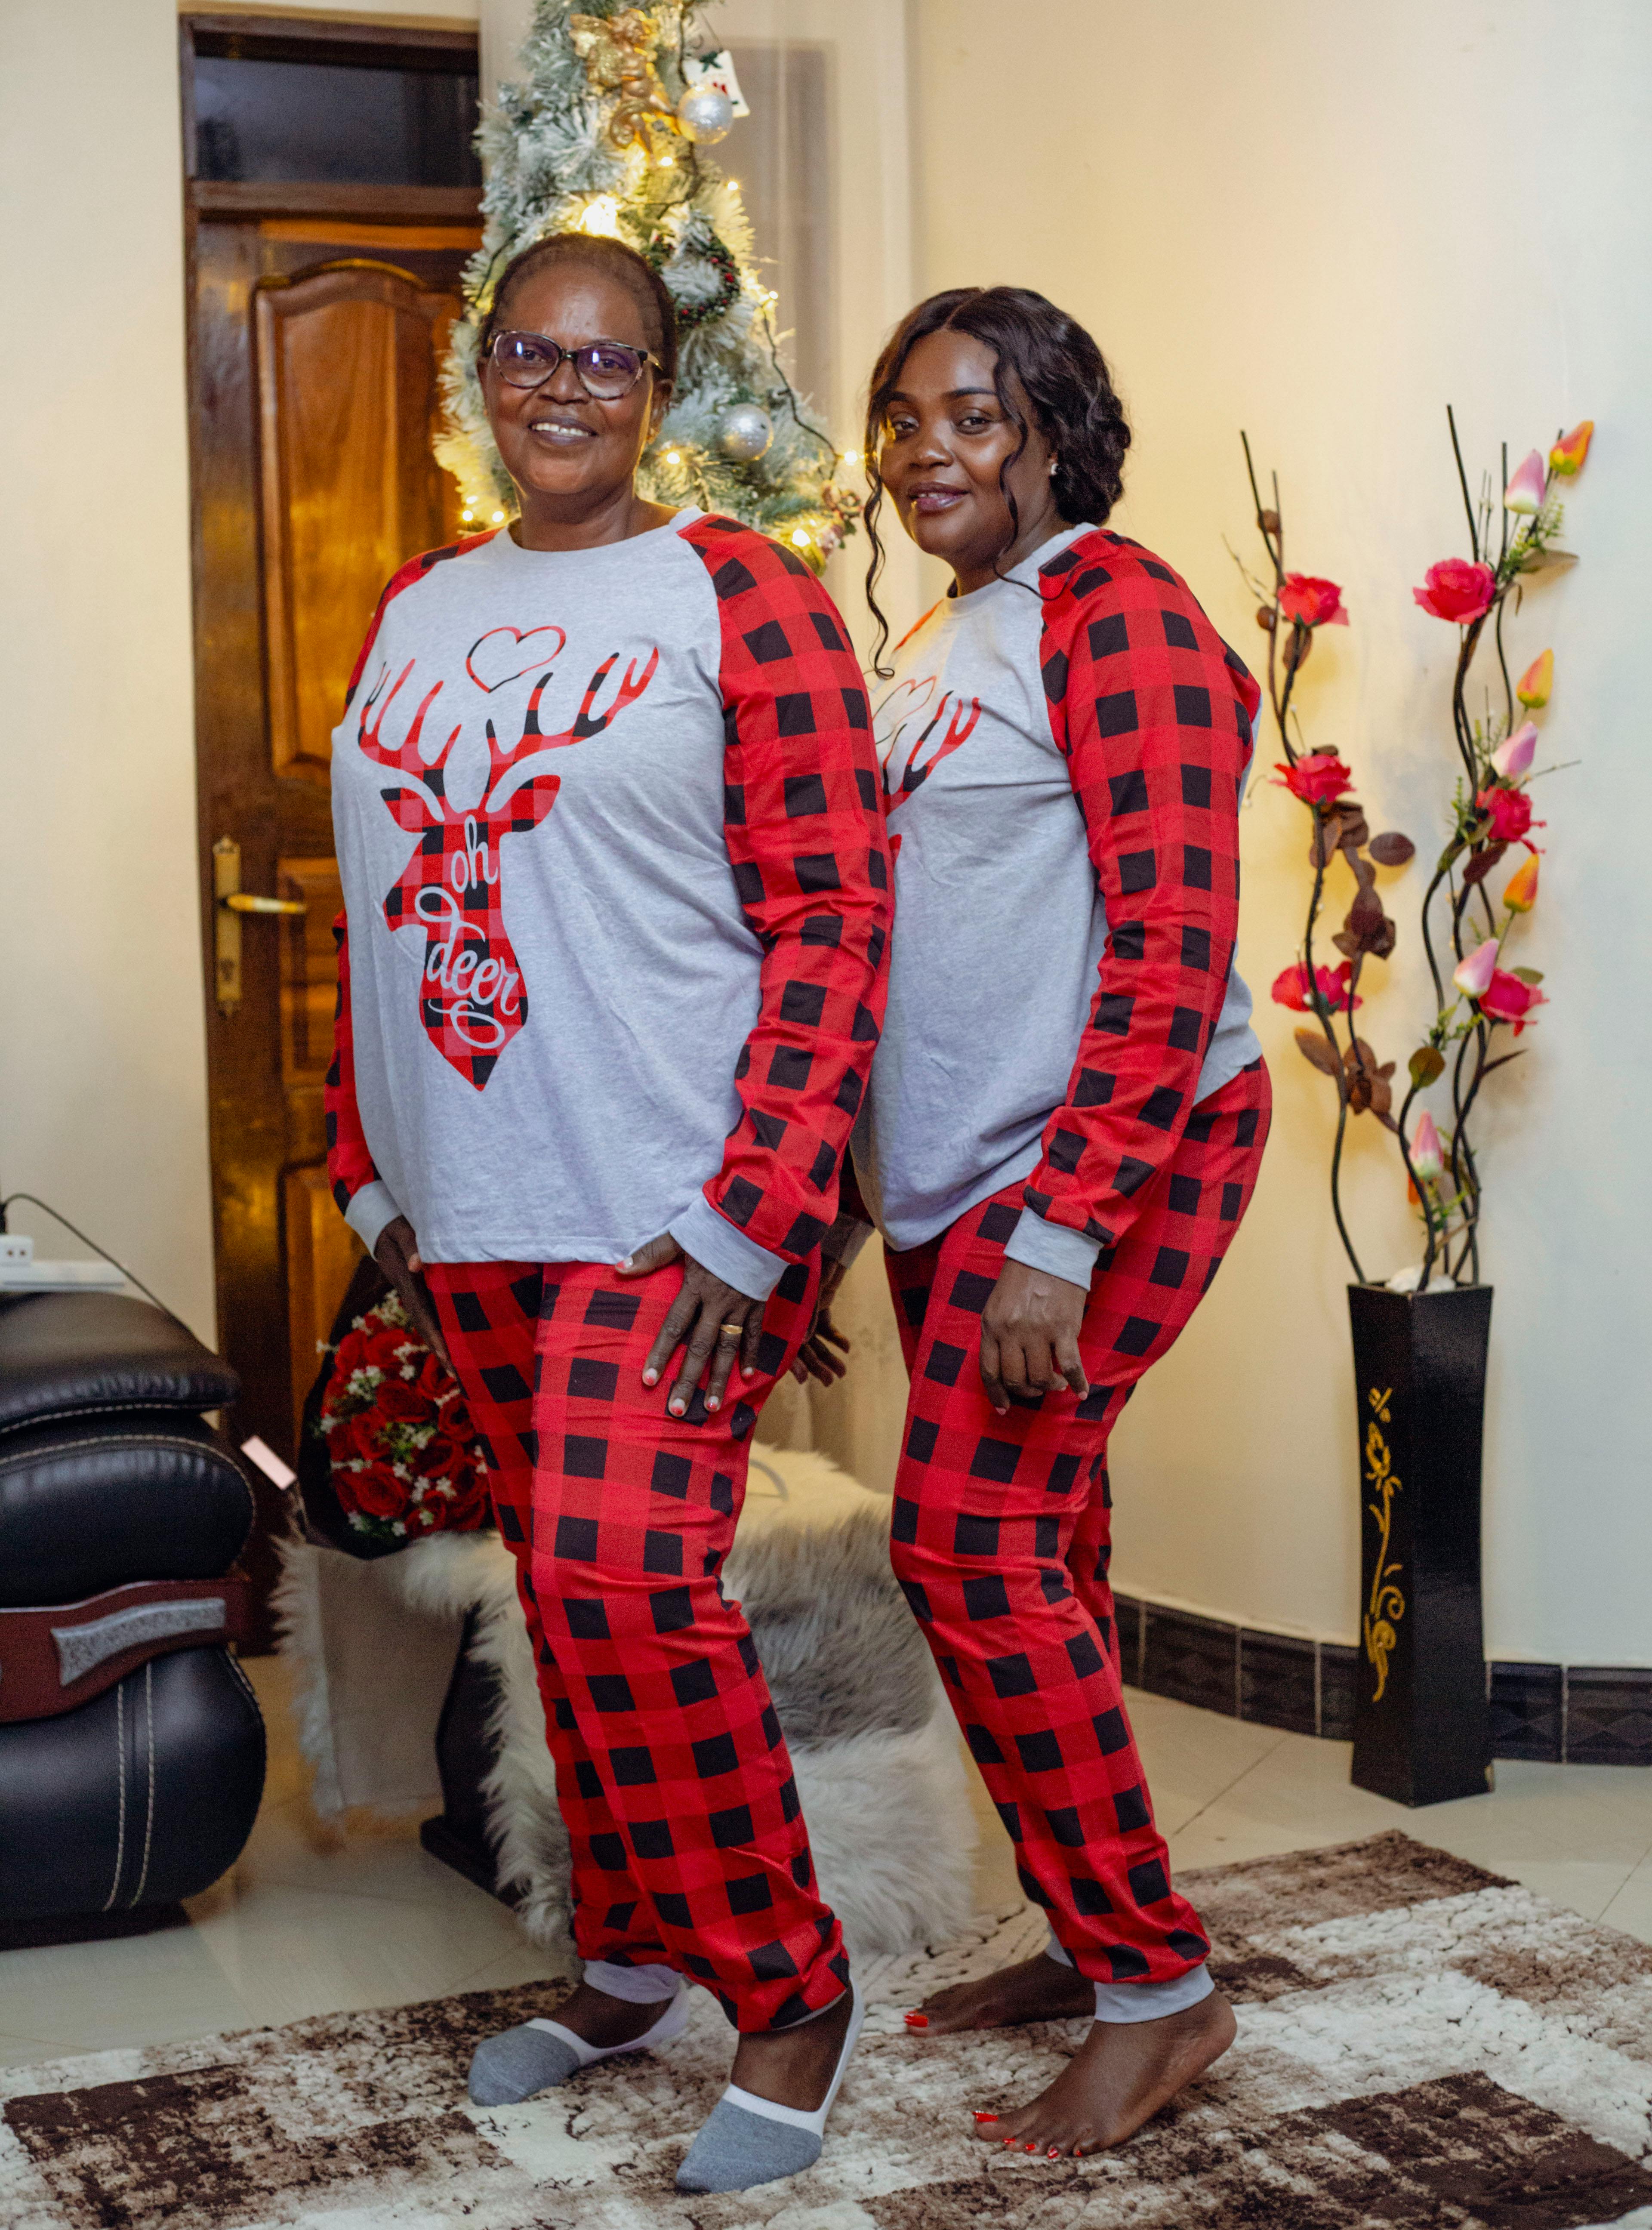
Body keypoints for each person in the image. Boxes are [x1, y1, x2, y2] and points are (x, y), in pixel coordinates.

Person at [324, 231, 891, 2196]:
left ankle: (790, 1984)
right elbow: (375, 885)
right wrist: (366, 1154)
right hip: (466, 1207)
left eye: (611, 361)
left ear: (658, 390)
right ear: (485, 371)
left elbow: (834, 916)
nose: (565, 387)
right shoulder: (416, 601)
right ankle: (634, 1959)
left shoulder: (743, 593)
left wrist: (759, 1215)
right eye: (532, 353)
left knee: (630, 1579)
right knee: (566, 1609)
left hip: (664, 1205)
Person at [825, 284, 1272, 2160]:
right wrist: (854, 1215)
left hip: (1111, 1156)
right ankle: (1104, 1948)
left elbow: (1173, 948)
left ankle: (1160, 1994)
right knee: (1047, 1551)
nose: (930, 447)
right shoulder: (945, 631)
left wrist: (1065, 1232)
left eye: (977, 415)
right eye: (903, 418)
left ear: (1059, 434)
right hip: (965, 1180)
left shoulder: (1124, 615)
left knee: (971, 1549)